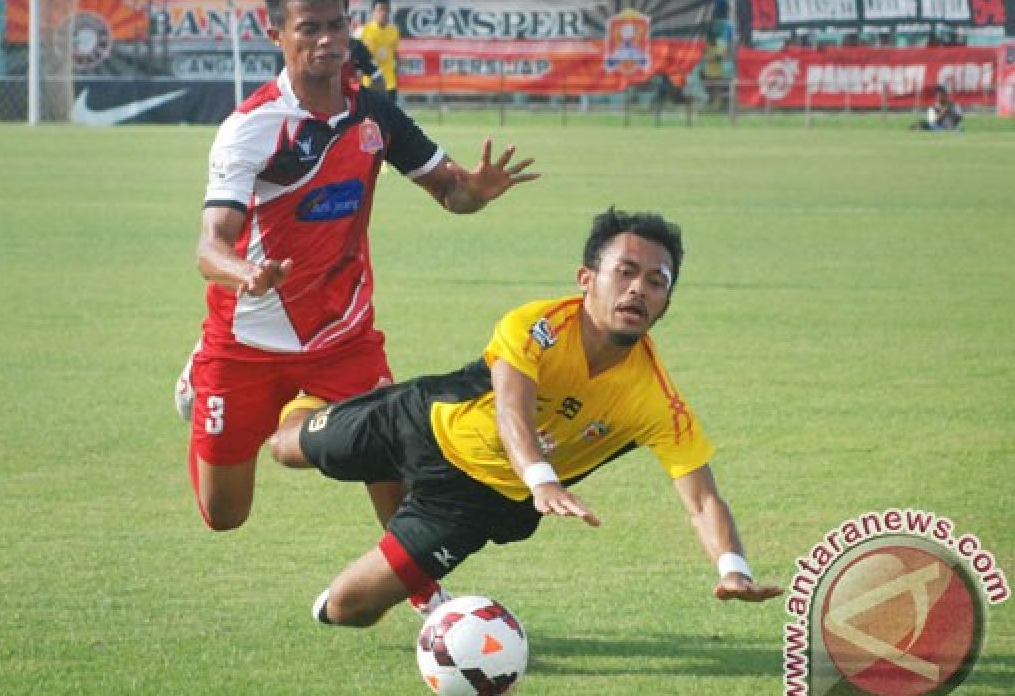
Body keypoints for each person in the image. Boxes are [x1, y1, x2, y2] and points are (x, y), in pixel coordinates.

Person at [177, 0, 538, 616]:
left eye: (337, 26)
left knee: (393, 459)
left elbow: (449, 192)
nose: (327, 41)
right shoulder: (250, 130)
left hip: (345, 336)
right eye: (309, 28)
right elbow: (210, 247)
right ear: (275, 35)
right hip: (244, 340)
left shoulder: (376, 115)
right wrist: (247, 273)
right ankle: (203, 384)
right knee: (224, 515)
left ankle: (429, 598)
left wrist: (476, 194)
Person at [269, 210, 783, 627]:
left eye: (656, 281)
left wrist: (732, 568)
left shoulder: (655, 400)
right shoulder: (536, 325)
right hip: (420, 422)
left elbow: (702, 499)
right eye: (625, 272)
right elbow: (513, 406)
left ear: (666, 302)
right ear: (587, 279)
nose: (637, 290)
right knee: (283, 449)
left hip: (471, 503)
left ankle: (410, 569)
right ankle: (313, 387)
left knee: (346, 609)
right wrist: (541, 477)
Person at [356, 0, 400, 102]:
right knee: (369, 116)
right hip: (369, 81)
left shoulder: (394, 31)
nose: (383, 13)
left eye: (386, 10)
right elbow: (355, 56)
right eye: (380, 9)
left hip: (389, 83)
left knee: (389, 116)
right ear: (373, 11)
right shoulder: (364, 31)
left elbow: (394, 54)